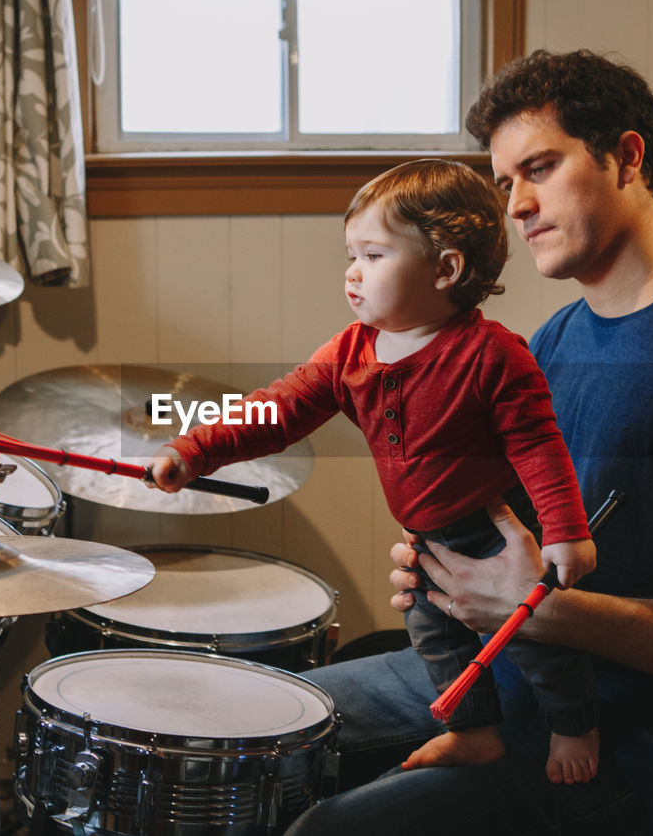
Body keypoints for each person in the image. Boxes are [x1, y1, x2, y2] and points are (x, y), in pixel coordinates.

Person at [283, 49, 653, 836]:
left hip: (641, 737)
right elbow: (521, 526)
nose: (517, 205)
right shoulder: (558, 336)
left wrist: (541, 613)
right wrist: (447, 561)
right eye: (505, 184)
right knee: (267, 725)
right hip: (509, 669)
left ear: (627, 157)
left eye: (540, 168)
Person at [149, 157, 603, 782]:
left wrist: (565, 531)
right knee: (434, 639)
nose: (351, 274)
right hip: (425, 536)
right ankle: (475, 734)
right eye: (351, 255)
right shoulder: (349, 352)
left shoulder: (492, 355)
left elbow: (539, 446)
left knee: (533, 639)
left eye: (373, 255)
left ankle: (575, 725)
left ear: (446, 269)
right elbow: (274, 411)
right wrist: (195, 449)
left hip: (491, 531)